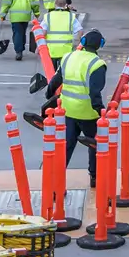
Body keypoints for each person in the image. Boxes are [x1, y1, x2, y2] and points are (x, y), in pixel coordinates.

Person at [47, 29, 110, 188]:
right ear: (100, 45)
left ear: (82, 42)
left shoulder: (68, 57)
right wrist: (101, 111)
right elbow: (94, 92)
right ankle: (94, 177)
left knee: (65, 147)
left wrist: (49, 95)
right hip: (88, 114)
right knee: (94, 145)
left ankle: (56, 183)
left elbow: (56, 80)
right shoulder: (97, 64)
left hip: (67, 111)